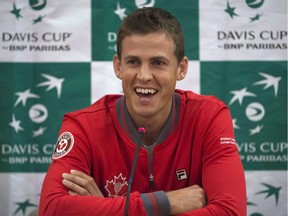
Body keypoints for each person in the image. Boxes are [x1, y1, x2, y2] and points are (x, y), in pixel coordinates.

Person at [39, 7, 246, 215]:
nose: (144, 75)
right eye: (133, 62)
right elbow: (51, 209)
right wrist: (164, 203)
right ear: (118, 66)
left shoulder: (209, 117)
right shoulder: (82, 126)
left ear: (181, 69)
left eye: (158, 63)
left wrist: (104, 209)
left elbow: (230, 212)